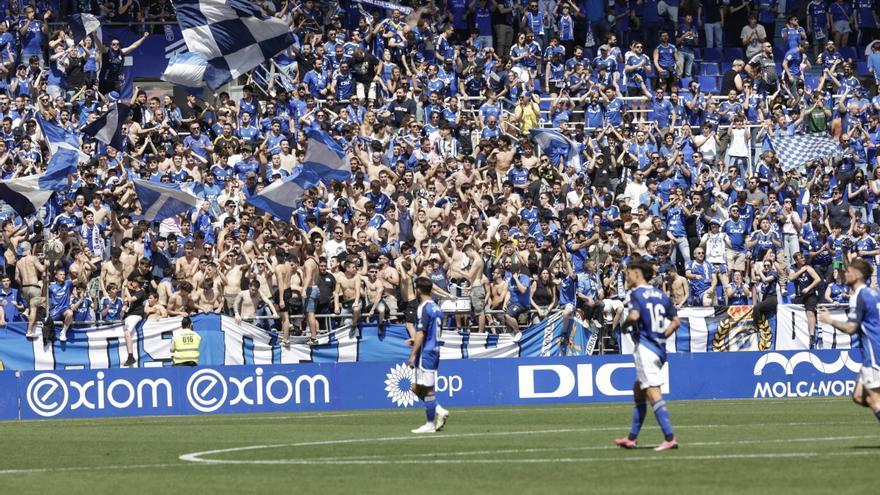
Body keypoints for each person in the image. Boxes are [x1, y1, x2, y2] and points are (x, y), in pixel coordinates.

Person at [615, 260, 681, 451]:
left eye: (628, 273)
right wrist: (661, 337)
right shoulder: (661, 294)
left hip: (646, 348)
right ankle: (632, 438)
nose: (626, 277)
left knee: (653, 392)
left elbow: (634, 316)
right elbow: (675, 321)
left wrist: (625, 326)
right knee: (639, 390)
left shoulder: (635, 294)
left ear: (637, 274)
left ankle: (669, 437)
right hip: (659, 349)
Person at [819, 259, 880, 421]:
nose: (845, 273)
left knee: (874, 400)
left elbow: (851, 328)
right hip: (873, 351)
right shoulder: (874, 293)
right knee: (859, 396)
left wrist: (829, 320)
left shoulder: (858, 296)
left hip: (875, 353)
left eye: (848, 271)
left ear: (858, 275)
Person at [408, 276, 450, 434]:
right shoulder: (437, 308)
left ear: (418, 290)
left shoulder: (423, 307)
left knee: (428, 389)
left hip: (426, 353)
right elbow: (430, 331)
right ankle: (438, 409)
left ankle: (430, 424)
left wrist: (413, 354)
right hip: (432, 349)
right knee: (415, 387)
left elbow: (422, 332)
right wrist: (416, 341)